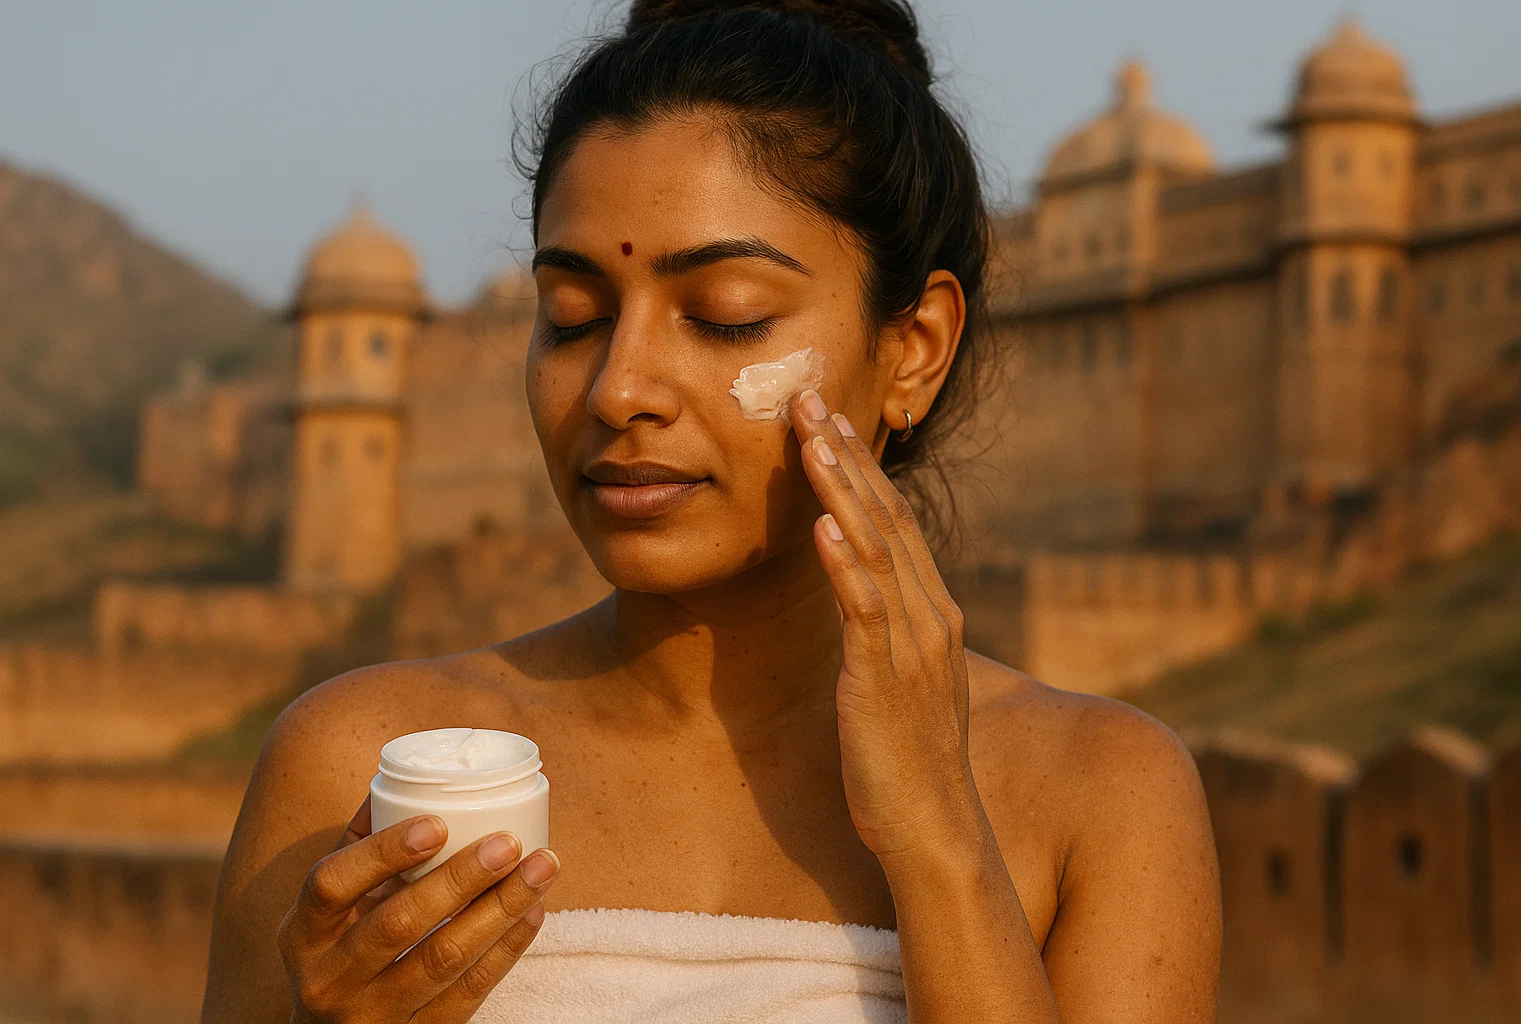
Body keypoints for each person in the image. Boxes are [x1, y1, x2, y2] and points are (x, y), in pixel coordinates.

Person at [201, 1, 1221, 1021]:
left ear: (913, 349)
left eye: (727, 316)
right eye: (573, 319)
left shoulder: (1100, 798)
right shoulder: (361, 770)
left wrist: (941, 834)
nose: (617, 388)